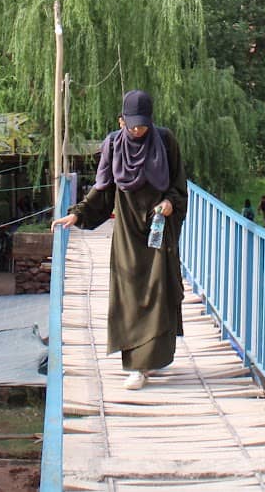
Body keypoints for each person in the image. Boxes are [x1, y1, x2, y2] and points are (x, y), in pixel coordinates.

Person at [53, 90, 188, 391]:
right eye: (132, 125)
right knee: (129, 292)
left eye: (143, 125)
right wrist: (77, 213)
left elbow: (179, 186)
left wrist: (169, 203)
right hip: (127, 231)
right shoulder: (114, 145)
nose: (138, 130)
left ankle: (148, 362)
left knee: (158, 291)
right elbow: (103, 189)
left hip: (158, 230)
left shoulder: (165, 142)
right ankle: (135, 364)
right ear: (121, 121)